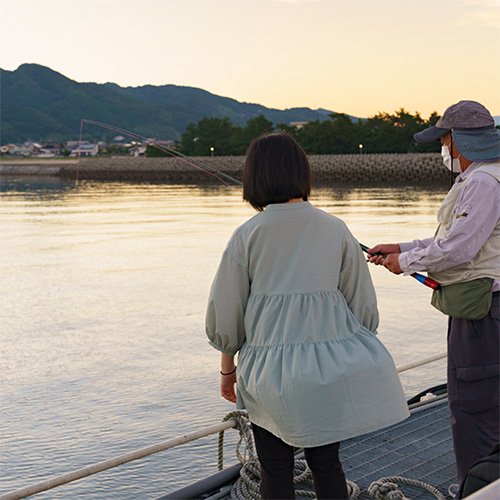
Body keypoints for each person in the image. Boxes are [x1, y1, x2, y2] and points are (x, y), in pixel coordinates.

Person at [206, 132, 409, 499]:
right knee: (327, 466)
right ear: (303, 173)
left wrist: (227, 371)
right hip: (326, 374)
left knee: (275, 471)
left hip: (269, 376)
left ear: (254, 178)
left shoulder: (246, 236)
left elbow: (227, 317)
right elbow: (363, 310)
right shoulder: (336, 229)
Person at [367, 100, 500, 492]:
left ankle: (478, 490)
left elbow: (459, 249)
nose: (443, 150)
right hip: (489, 312)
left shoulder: (482, 181)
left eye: (444, 141)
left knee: (474, 411)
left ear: (459, 141)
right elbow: (456, 239)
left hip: (482, 318)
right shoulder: (486, 176)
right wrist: (400, 246)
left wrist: (404, 261)